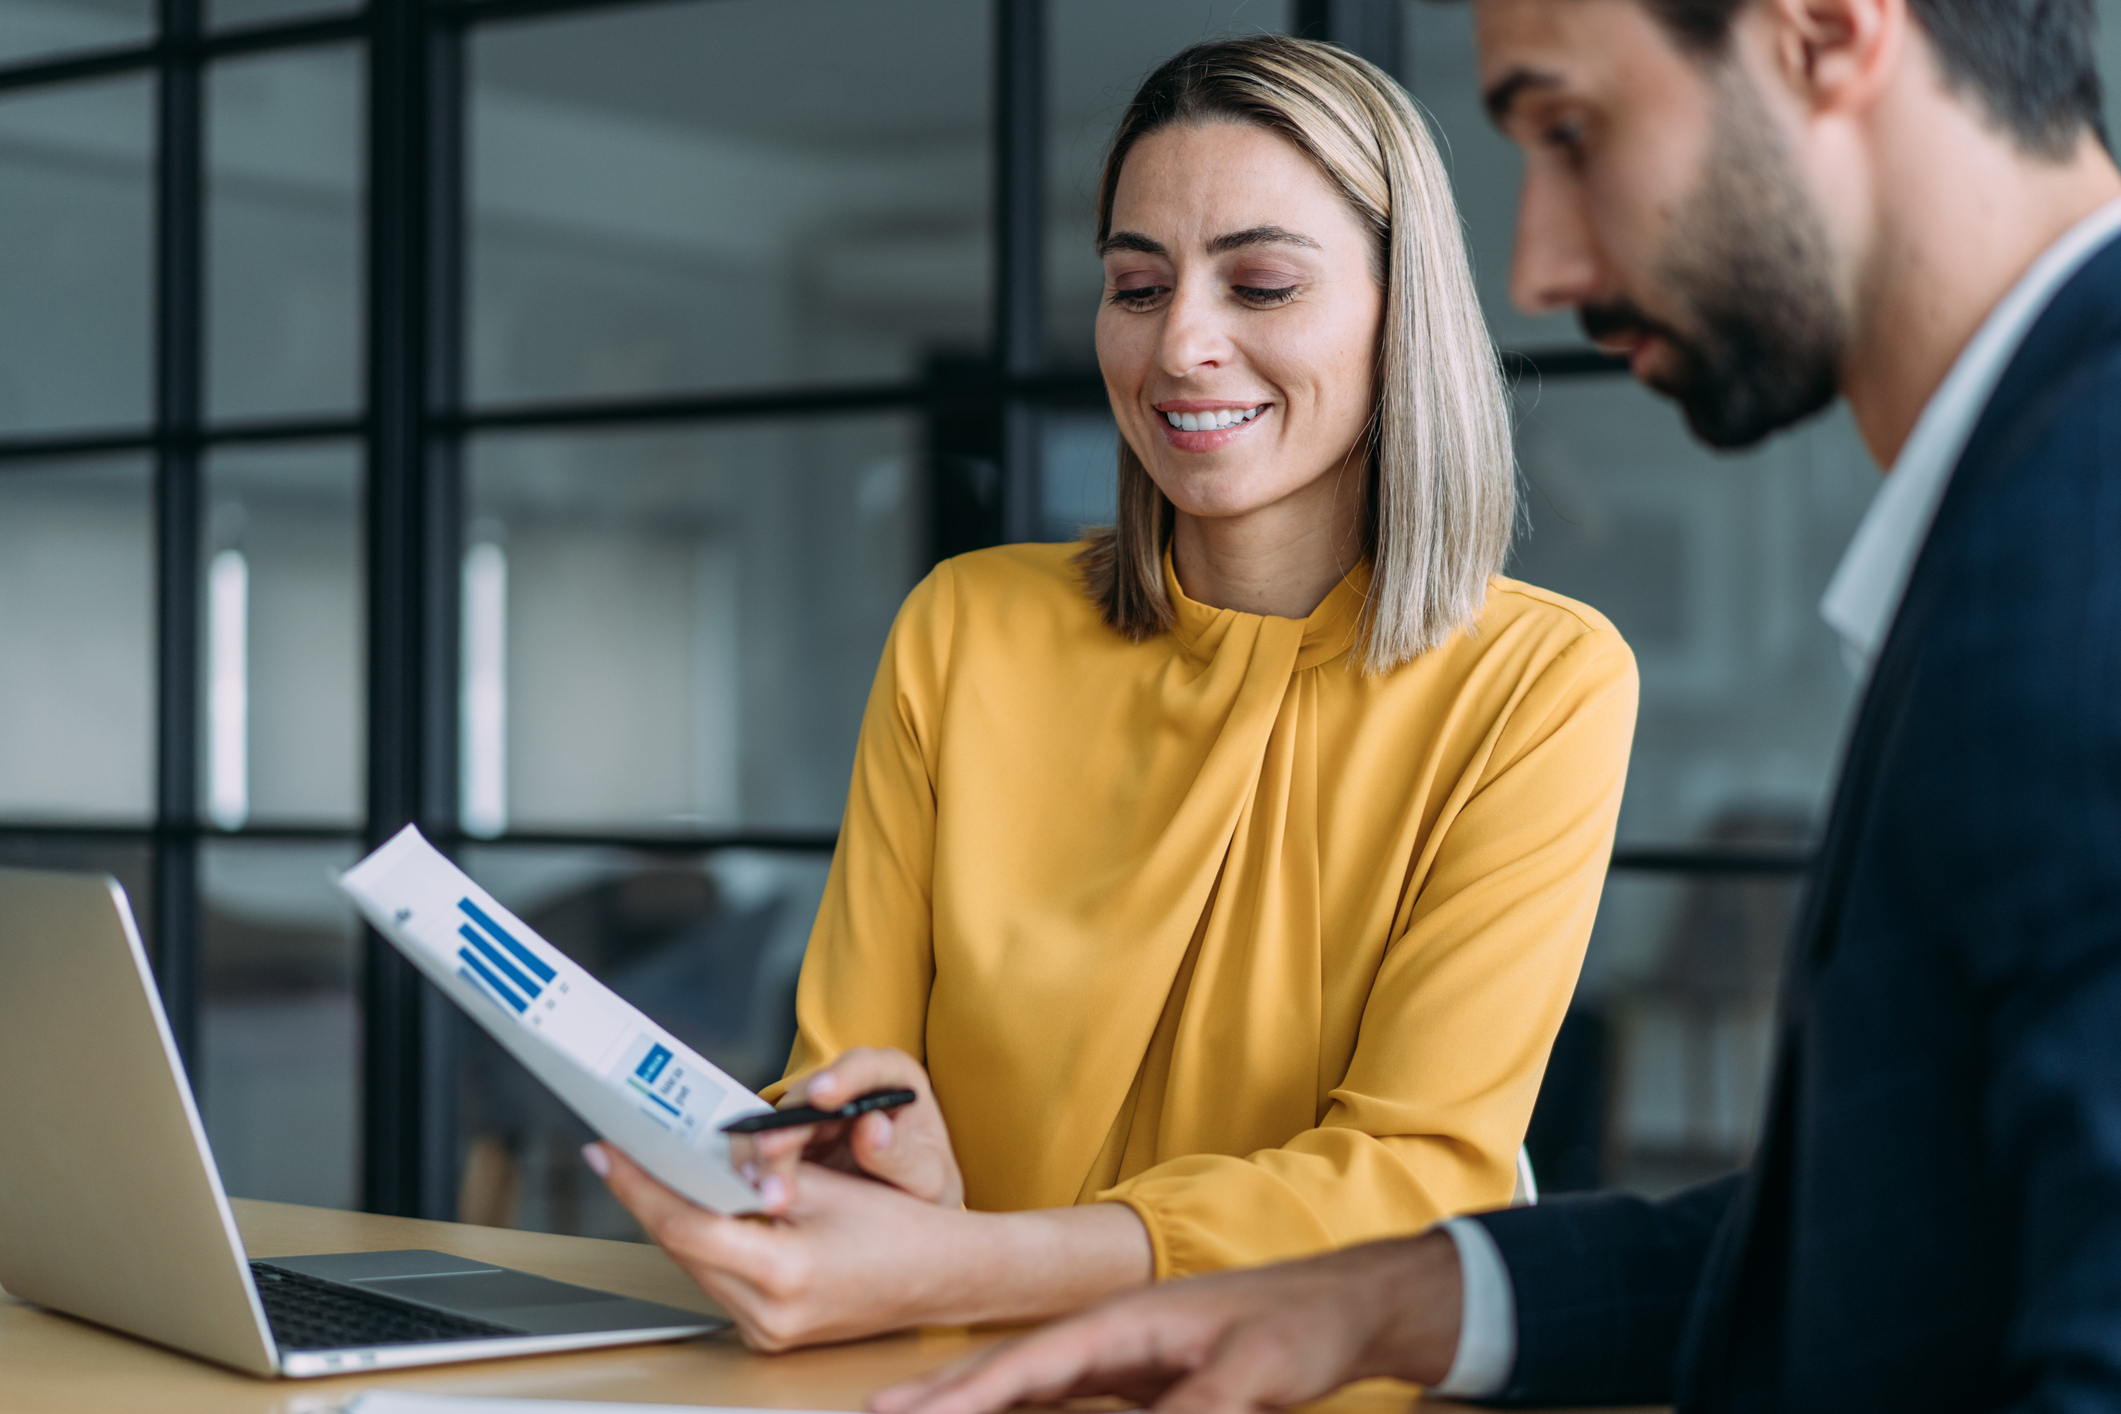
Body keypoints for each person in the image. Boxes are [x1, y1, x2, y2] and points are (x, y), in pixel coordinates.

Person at [868, 0, 2121, 1409]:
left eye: (1570, 131)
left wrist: (969, 1264)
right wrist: (1383, 1294)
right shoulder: (2033, 510)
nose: (1538, 269)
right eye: (1138, 284)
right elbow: (1895, 1237)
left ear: (1824, 33)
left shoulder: (2080, 538)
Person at [580, 35, 1638, 1352]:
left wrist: (968, 1263)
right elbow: (843, 1073)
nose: (1180, 343)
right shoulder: (965, 627)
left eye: (1259, 283)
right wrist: (866, 1165)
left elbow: (1412, 1180)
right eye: (1137, 286)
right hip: (932, 1369)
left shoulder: (1538, 681)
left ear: (1401, 309)